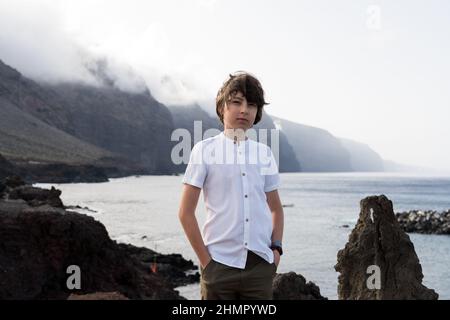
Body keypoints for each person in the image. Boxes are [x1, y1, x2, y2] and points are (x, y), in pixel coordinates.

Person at [178, 71, 284, 300]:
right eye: (236, 102)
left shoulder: (264, 153)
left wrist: (276, 250)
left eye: (252, 105)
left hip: (260, 266)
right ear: (222, 108)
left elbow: (275, 208)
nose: (244, 110)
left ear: (257, 113)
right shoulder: (204, 150)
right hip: (218, 265)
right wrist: (206, 263)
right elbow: (185, 213)